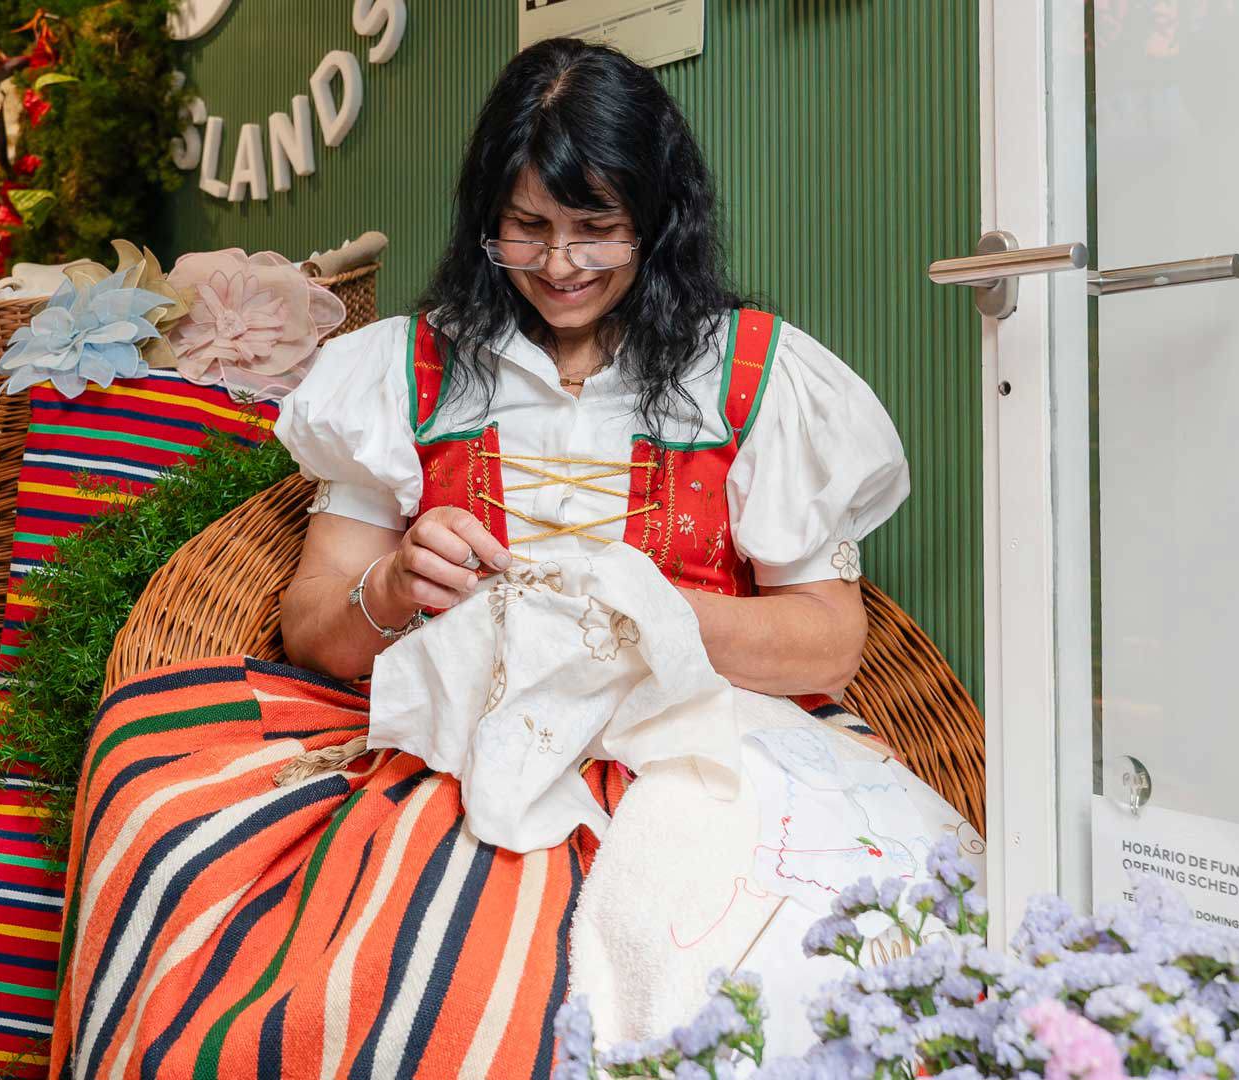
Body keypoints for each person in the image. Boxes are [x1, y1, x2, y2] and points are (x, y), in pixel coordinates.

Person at [49, 39, 969, 1078]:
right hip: (457, 732)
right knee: (182, 796)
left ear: (658, 221)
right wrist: (390, 589)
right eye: (526, 230)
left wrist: (641, 612)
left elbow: (830, 644)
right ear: (486, 218)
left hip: (702, 739)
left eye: (595, 230)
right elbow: (312, 628)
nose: (561, 265)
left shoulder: (753, 373)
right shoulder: (402, 370)